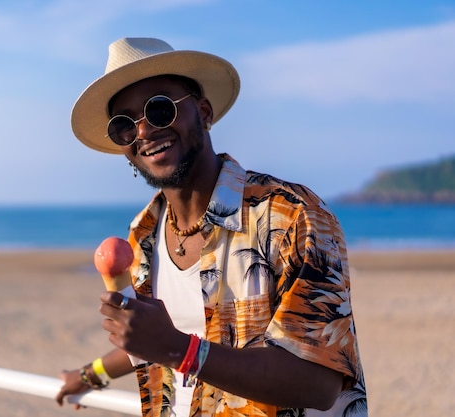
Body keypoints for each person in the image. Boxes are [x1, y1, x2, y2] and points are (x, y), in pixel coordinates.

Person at [56, 37, 367, 417]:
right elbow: (162, 336)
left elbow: (319, 382)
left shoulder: (290, 216)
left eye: (159, 109)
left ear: (203, 112)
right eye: (124, 125)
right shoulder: (143, 232)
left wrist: (179, 350)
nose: (144, 132)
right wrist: (91, 375)